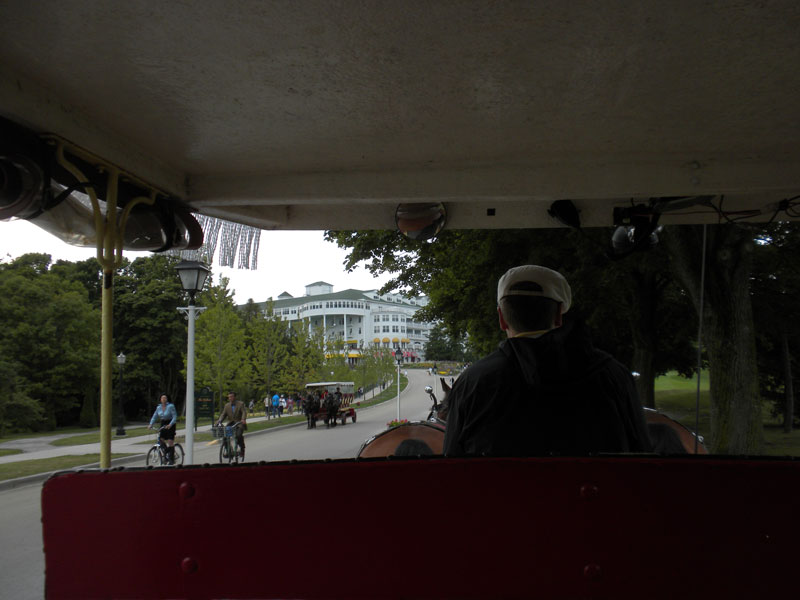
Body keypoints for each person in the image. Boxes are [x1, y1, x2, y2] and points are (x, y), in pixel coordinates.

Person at [443, 265, 652, 456]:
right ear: (559, 315)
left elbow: (452, 465)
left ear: (501, 318)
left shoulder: (471, 382)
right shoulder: (614, 375)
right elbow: (642, 454)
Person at [147, 393, 178, 464]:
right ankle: (166, 453)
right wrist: (150, 424)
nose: (163, 399)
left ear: (167, 399)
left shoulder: (171, 406)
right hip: (163, 423)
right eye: (162, 398)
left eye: (165, 398)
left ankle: (171, 459)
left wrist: (170, 424)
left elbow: (175, 416)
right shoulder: (159, 407)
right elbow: (154, 416)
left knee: (170, 441)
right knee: (161, 439)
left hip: (171, 423)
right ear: (160, 399)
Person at [217, 391, 247, 460]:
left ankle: (242, 449)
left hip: (239, 423)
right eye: (229, 397)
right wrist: (219, 421)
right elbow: (223, 414)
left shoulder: (240, 404)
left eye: (231, 397)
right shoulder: (227, 405)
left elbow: (244, 412)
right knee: (224, 436)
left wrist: (243, 419)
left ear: (234, 397)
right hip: (231, 423)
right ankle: (228, 451)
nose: (230, 398)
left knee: (238, 435)